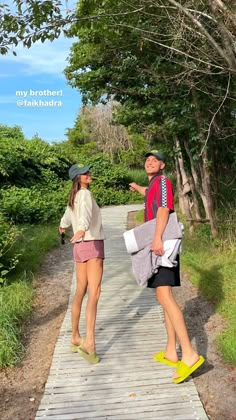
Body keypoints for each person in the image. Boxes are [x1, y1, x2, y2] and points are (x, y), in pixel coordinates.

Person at [129, 150, 204, 383]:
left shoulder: (162, 181)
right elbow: (150, 195)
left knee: (165, 297)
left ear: (162, 165)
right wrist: (138, 188)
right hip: (159, 242)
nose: (149, 162)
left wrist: (157, 238)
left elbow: (163, 208)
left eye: (155, 160)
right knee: (164, 296)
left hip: (162, 244)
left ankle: (189, 354)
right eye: (147, 160)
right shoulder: (153, 184)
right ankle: (171, 350)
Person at [59, 163, 105, 364]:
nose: (88, 174)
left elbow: (67, 218)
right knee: (94, 293)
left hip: (79, 247)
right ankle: (89, 344)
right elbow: (84, 216)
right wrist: (82, 229)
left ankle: (75, 336)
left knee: (80, 291)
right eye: (84, 173)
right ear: (78, 178)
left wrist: (63, 227)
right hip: (91, 242)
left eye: (87, 171)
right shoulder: (84, 194)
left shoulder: (74, 196)